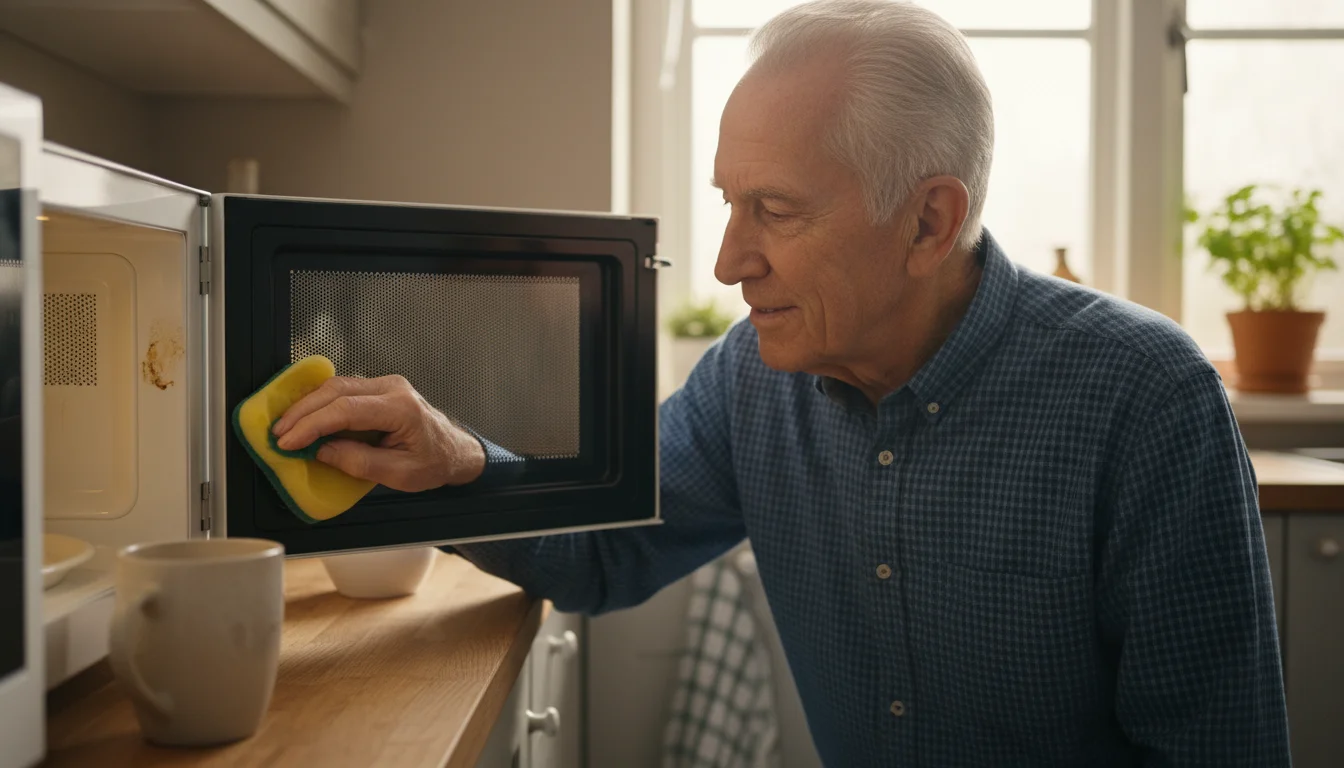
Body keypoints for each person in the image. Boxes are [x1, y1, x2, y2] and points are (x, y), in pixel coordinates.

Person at [270, 1, 1290, 764]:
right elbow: (604, 552)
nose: (727, 262)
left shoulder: (1147, 400)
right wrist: (457, 466)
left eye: (776, 210)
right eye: (728, 202)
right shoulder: (749, 380)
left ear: (929, 222)